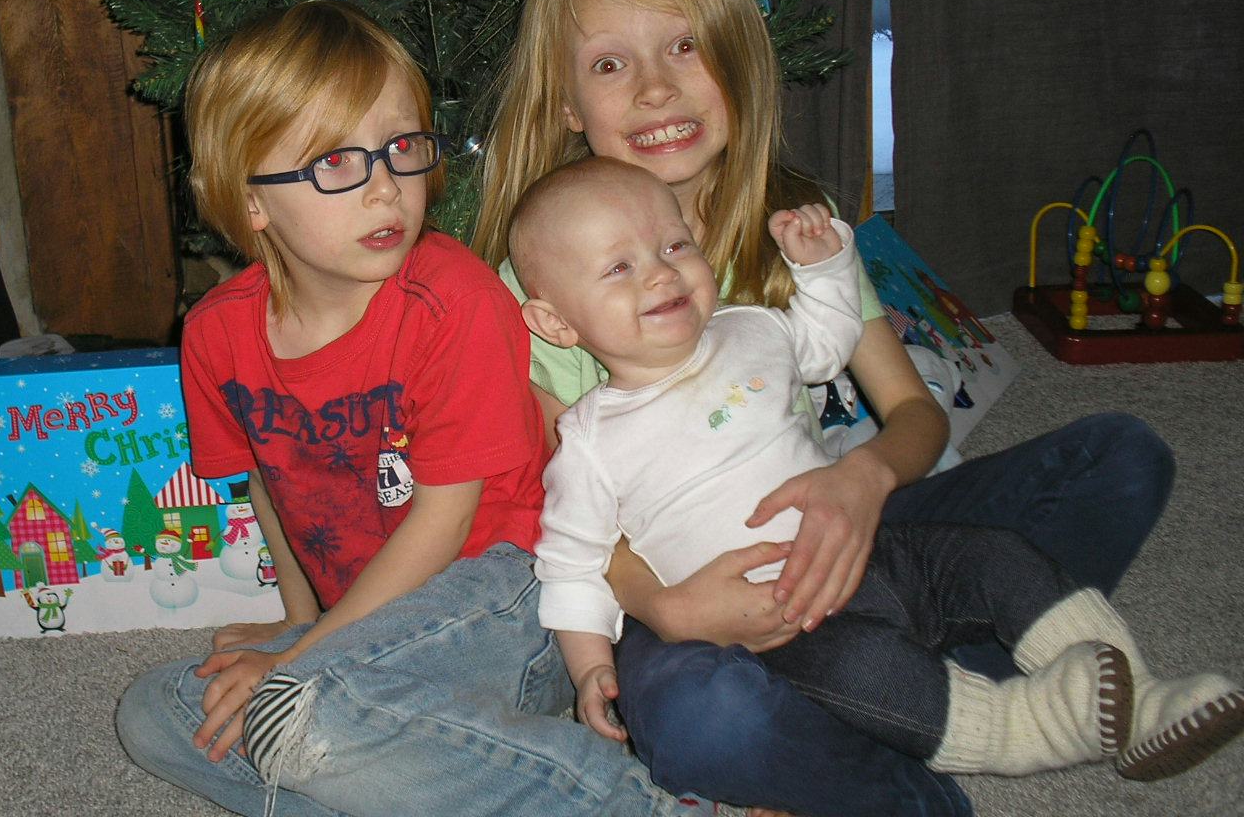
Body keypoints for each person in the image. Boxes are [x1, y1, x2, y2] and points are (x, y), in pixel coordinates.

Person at [472, 0, 1176, 817]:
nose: (655, 89)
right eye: (611, 64)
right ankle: (908, 766)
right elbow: (559, 514)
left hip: (851, 541)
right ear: (568, 104)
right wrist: (668, 610)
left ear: (737, 57)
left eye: (684, 46)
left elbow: (913, 414)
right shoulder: (540, 289)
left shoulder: (800, 229)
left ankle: (902, 700)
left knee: (1122, 455)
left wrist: (861, 483)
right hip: (694, 598)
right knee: (700, 718)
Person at [116, 0, 683, 817]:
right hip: (370, 619)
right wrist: (297, 622)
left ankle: (635, 807)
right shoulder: (215, 333)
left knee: (301, 711)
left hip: (512, 594)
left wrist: (298, 660)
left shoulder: (456, 302)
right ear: (251, 202)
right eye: (336, 162)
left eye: (401, 147)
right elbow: (266, 482)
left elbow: (445, 523)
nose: (385, 187)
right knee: (154, 716)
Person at [512, 157, 1242, 781]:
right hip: (787, 620)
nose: (661, 273)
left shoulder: (749, 327)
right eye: (619, 268)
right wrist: (589, 667)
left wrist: (823, 265)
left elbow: (828, 344)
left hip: (877, 545)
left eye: (675, 245)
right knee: (865, 671)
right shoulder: (590, 442)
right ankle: (1023, 727)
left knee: (998, 558)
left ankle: (1136, 694)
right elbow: (573, 563)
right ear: (556, 323)